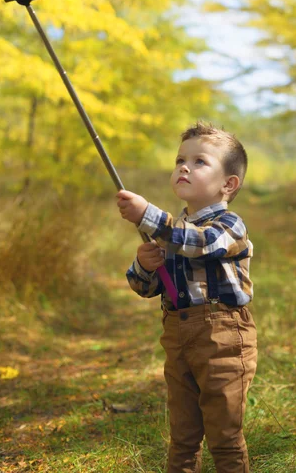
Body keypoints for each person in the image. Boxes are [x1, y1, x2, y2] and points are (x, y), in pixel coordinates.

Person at [116, 121, 257, 473]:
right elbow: (145, 288)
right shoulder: (172, 232)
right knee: (182, 433)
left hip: (223, 338)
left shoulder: (228, 225)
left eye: (199, 162)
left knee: (224, 434)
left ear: (229, 184)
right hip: (177, 338)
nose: (184, 167)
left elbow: (205, 245)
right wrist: (145, 265)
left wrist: (149, 216)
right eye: (180, 159)